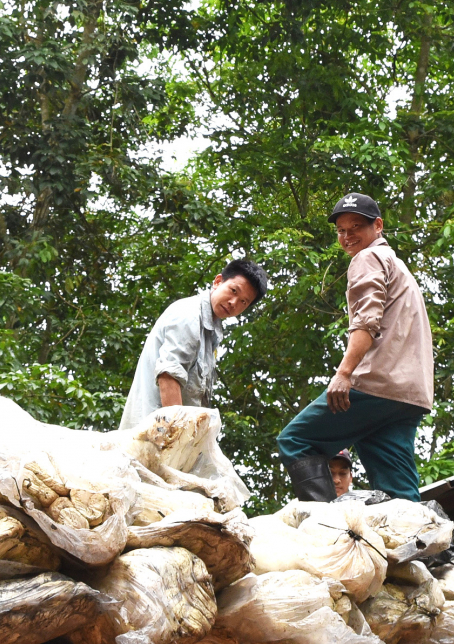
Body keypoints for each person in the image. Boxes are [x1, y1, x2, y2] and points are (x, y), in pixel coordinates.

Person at [276, 193, 434, 502]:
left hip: (376, 384)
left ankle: (326, 527)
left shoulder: (368, 258)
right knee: (397, 489)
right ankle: (423, 545)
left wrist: (344, 373)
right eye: (341, 230)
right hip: (409, 394)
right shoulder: (398, 265)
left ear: (378, 226)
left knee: (295, 439)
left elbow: (367, 319)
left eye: (356, 227)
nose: (347, 237)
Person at [118, 259, 268, 429]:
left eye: (243, 302)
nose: (234, 303)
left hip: (169, 439)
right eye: (233, 291)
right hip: (154, 438)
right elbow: (169, 377)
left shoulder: (210, 332)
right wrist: (179, 440)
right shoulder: (189, 315)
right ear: (218, 282)